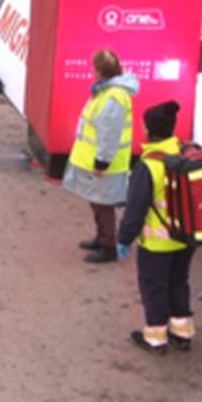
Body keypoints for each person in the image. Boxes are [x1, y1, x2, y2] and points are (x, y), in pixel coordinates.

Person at [115, 100, 198, 352]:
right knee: (179, 282)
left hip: (157, 243)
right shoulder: (184, 154)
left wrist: (124, 238)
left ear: (148, 130)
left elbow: (136, 210)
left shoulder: (148, 166)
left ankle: (155, 337)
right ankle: (182, 333)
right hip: (185, 238)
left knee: (154, 288)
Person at [63, 50, 139, 265]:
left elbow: (108, 134)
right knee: (97, 201)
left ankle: (108, 245)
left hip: (107, 163)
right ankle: (103, 238)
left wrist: (101, 162)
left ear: (100, 71)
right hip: (101, 160)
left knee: (102, 203)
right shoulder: (110, 92)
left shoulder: (113, 97)